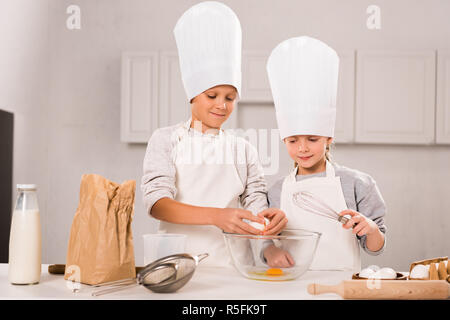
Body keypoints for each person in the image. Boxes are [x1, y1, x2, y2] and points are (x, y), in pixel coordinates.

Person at [141, 1, 287, 267]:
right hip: (176, 266)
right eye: (212, 95)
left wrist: (268, 246)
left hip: (234, 267)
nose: (222, 105)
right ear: (192, 95)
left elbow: (256, 206)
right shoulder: (165, 139)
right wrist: (216, 216)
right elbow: (157, 203)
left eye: (230, 97)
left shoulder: (243, 149)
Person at [264, 36, 386, 272]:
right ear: (284, 140)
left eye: (312, 139)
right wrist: (270, 250)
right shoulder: (277, 191)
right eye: (293, 140)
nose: (303, 148)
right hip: (289, 288)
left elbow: (375, 248)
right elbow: (267, 242)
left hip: (342, 286)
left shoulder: (358, 184)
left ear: (328, 139)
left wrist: (370, 228)